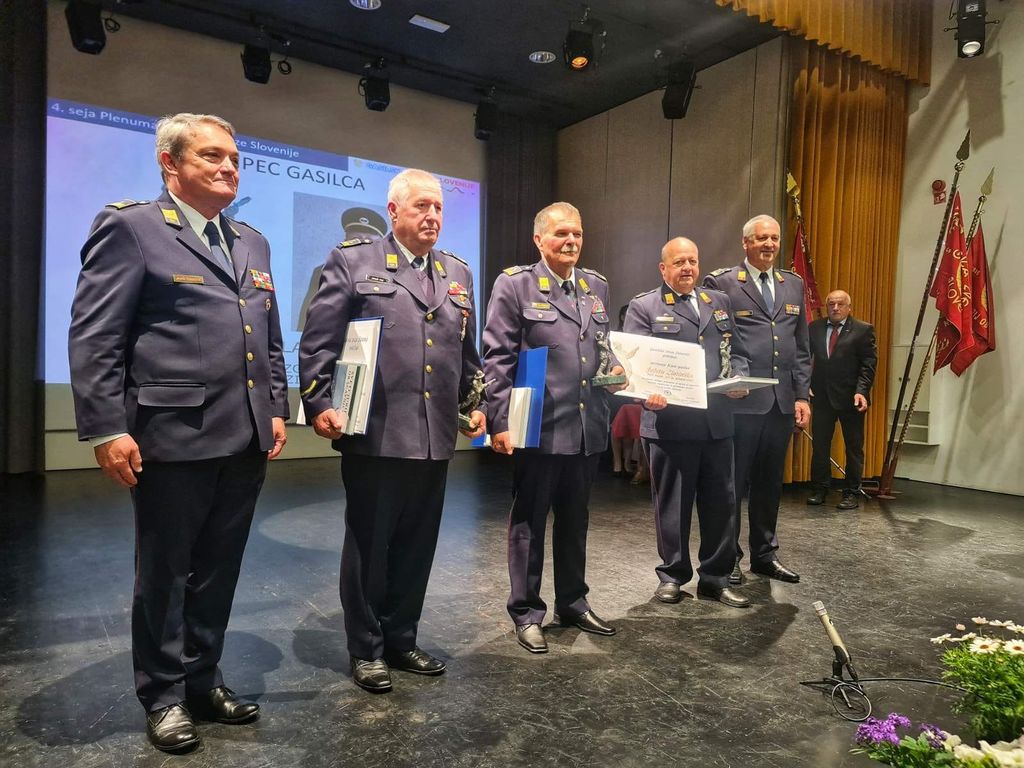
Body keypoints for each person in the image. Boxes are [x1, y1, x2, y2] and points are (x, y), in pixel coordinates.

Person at [68, 113, 289, 752]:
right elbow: (96, 334)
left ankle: (202, 679)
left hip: (245, 436)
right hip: (170, 434)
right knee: (165, 573)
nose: (228, 167)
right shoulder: (133, 227)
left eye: (234, 158)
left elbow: (268, 336)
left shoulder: (251, 241)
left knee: (218, 569)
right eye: (211, 156)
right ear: (170, 164)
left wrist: (276, 405)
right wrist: (105, 427)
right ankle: (163, 695)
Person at [298, 169, 486, 693]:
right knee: (370, 544)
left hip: (435, 433)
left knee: (417, 545)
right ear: (394, 210)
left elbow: (467, 354)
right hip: (374, 430)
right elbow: (319, 340)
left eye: (439, 208)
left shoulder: (457, 272)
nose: (432, 216)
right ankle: (366, 648)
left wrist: (476, 404)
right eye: (422, 206)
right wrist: (319, 401)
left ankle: (402, 638)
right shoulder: (352, 261)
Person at [482, 201, 624, 654]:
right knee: (529, 523)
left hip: (586, 425)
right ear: (539, 239)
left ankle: (573, 602)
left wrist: (617, 371)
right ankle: (526, 611)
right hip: (538, 427)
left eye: (577, 234)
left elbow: (603, 349)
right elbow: (498, 357)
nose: (571, 241)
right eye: (561, 233)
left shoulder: (596, 286)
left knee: (575, 521)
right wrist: (499, 420)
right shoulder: (515, 284)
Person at [624, 237, 751, 608]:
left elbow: (737, 353)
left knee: (721, 505)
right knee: (673, 507)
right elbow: (632, 362)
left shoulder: (718, 302)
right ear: (663, 268)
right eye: (679, 262)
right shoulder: (645, 306)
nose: (688, 268)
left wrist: (740, 379)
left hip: (717, 422)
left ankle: (715, 578)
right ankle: (672, 576)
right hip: (670, 425)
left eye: (692, 261)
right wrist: (645, 393)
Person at [703, 214, 810, 585]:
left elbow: (801, 347)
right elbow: (714, 340)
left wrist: (801, 395)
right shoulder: (723, 282)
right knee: (731, 485)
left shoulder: (793, 284)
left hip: (781, 403)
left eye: (774, 238)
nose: (769, 244)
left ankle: (764, 555)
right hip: (741, 402)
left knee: (769, 484)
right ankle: (728, 557)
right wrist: (730, 376)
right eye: (762, 238)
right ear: (745, 242)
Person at [806, 290, 877, 509]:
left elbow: (868, 365)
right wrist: (804, 385)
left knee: (853, 448)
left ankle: (851, 493)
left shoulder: (863, 330)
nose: (835, 308)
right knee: (820, 446)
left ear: (849, 307)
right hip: (822, 397)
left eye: (840, 304)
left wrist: (862, 391)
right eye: (831, 304)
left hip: (851, 399)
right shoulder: (814, 328)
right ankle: (819, 489)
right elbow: (804, 358)